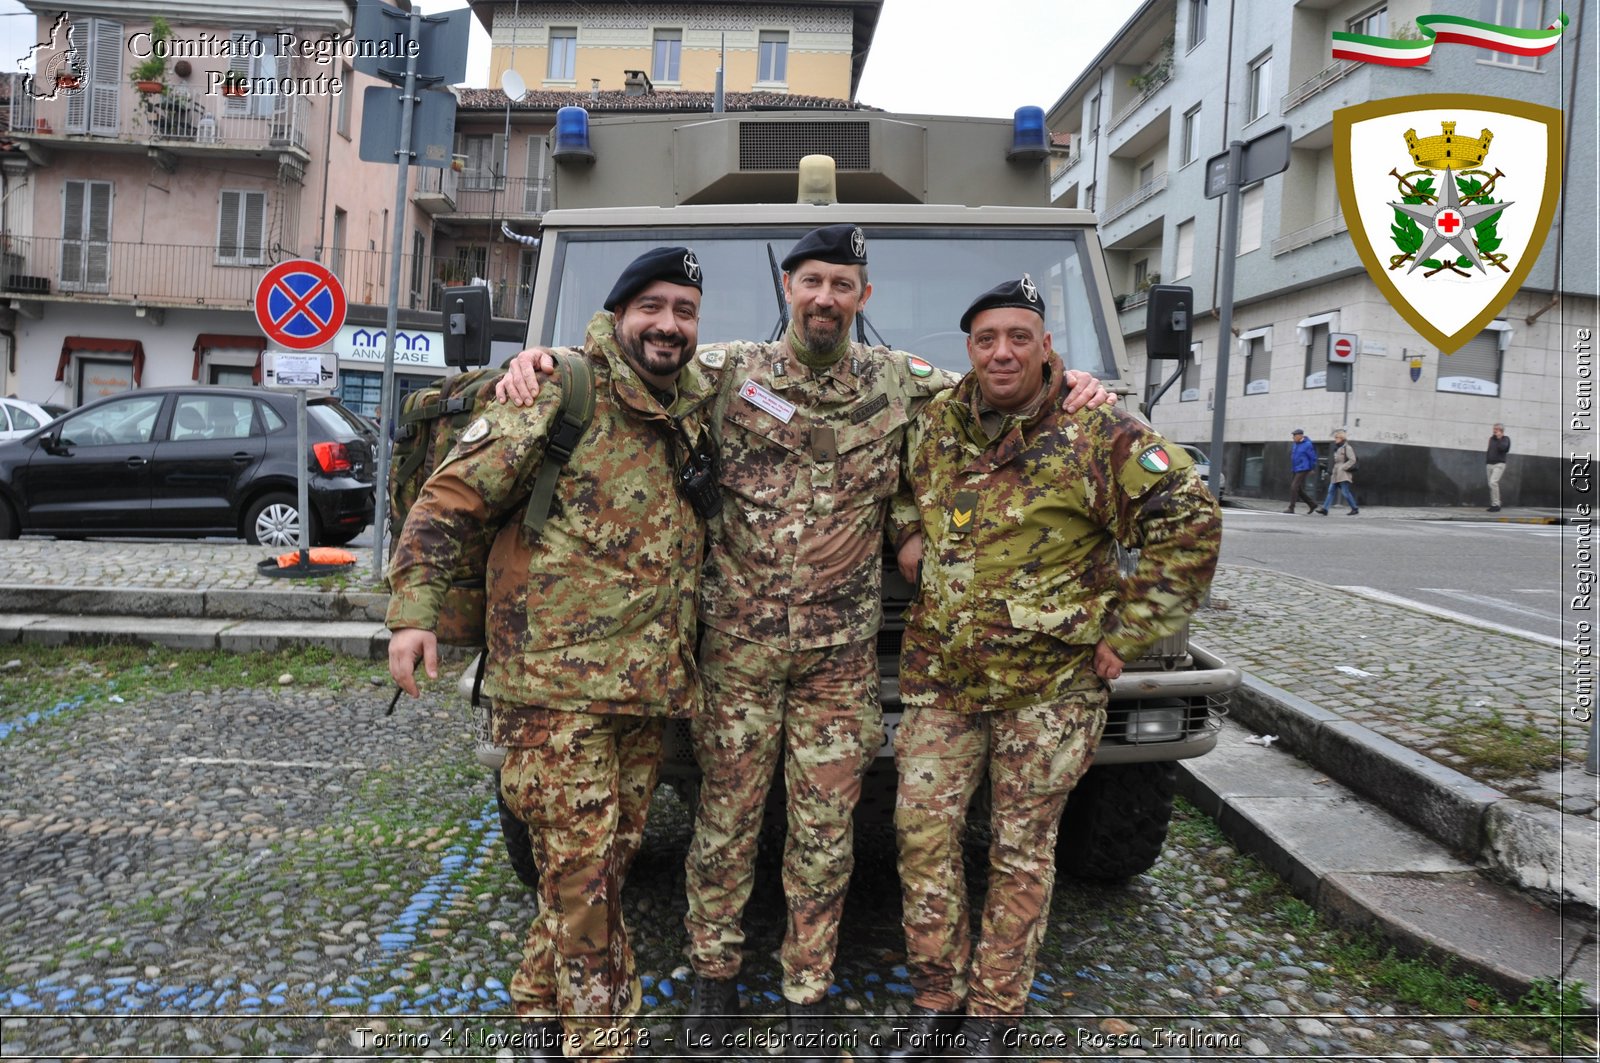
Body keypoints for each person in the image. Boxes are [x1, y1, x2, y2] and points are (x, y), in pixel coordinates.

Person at [495, 225, 1112, 1061]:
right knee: (725, 822)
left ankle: (807, 990)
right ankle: (714, 983)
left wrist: (1074, 380)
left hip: (839, 658)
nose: (827, 297)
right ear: (789, 288)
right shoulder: (726, 372)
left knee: (825, 833)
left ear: (865, 297)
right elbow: (632, 365)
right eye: (812, 280)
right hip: (738, 649)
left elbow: (999, 383)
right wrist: (541, 361)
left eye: (844, 283)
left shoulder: (902, 382)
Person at [386, 246, 720, 1063]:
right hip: (552, 685)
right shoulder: (555, 390)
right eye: (652, 307)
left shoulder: (697, 404)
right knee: (584, 879)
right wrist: (414, 614)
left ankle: (536, 1009)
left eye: (684, 309)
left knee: (600, 860)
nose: (668, 325)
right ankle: (600, 1042)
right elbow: (451, 499)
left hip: (646, 687)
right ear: (618, 315)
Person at [886, 278, 1221, 1061]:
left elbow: (1190, 516)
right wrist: (907, 530)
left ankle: (993, 1018)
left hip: (1051, 685)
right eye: (986, 337)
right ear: (967, 348)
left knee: (1020, 847)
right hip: (946, 677)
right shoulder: (937, 421)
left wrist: (1134, 628)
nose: (1003, 351)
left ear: (1044, 343)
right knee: (922, 834)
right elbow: (900, 483)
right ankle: (938, 1001)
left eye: (1019, 336)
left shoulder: (1098, 426)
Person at [1316, 428, 1359, 515]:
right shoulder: (1337, 448)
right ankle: (1325, 509)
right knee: (1331, 491)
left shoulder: (1347, 448)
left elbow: (1352, 460)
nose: (1335, 439)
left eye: (1337, 438)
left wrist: (1343, 467)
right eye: (1335, 437)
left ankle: (1355, 508)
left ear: (1342, 438)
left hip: (1344, 474)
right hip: (1335, 474)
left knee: (1345, 492)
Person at [1285, 428, 1317, 514]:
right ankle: (1312, 504)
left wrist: (1312, 468)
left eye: (1294, 435)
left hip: (1304, 468)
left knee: (1294, 486)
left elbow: (1313, 457)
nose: (1293, 437)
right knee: (1298, 489)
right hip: (1296, 468)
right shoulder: (1295, 444)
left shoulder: (1308, 444)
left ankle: (1291, 508)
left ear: (1300, 436)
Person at [1485, 423, 1510, 512]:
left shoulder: (1505, 439)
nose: (1494, 430)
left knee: (1493, 482)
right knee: (1490, 485)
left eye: (1496, 429)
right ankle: (1493, 504)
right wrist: (1487, 461)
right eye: (1494, 429)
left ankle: (1497, 504)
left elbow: (1504, 449)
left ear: (1501, 430)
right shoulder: (1491, 439)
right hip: (1489, 464)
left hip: (1499, 464)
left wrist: (1499, 438)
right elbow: (1489, 450)